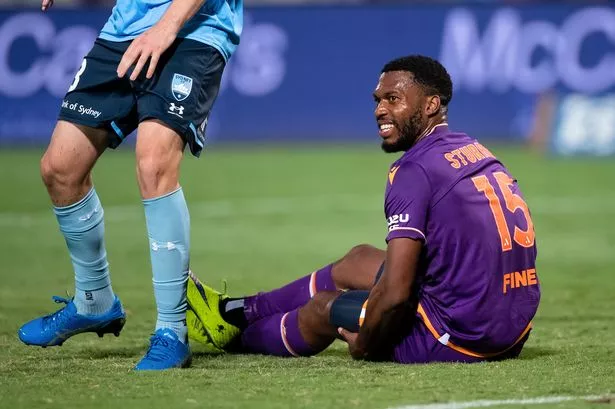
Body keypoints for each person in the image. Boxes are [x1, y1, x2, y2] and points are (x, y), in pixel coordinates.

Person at [186, 55, 540, 363]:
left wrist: (367, 344)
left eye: (393, 99)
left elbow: (397, 294)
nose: (379, 110)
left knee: (324, 308)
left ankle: (234, 338)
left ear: (431, 105)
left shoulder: (413, 171)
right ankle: (238, 310)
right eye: (378, 100)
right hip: (512, 326)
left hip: (461, 339)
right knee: (358, 259)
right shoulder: (474, 148)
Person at [17, 0, 243, 370]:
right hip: (124, 30)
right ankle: (94, 301)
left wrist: (168, 26)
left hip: (193, 31)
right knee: (60, 169)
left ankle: (172, 330)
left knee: (154, 164)